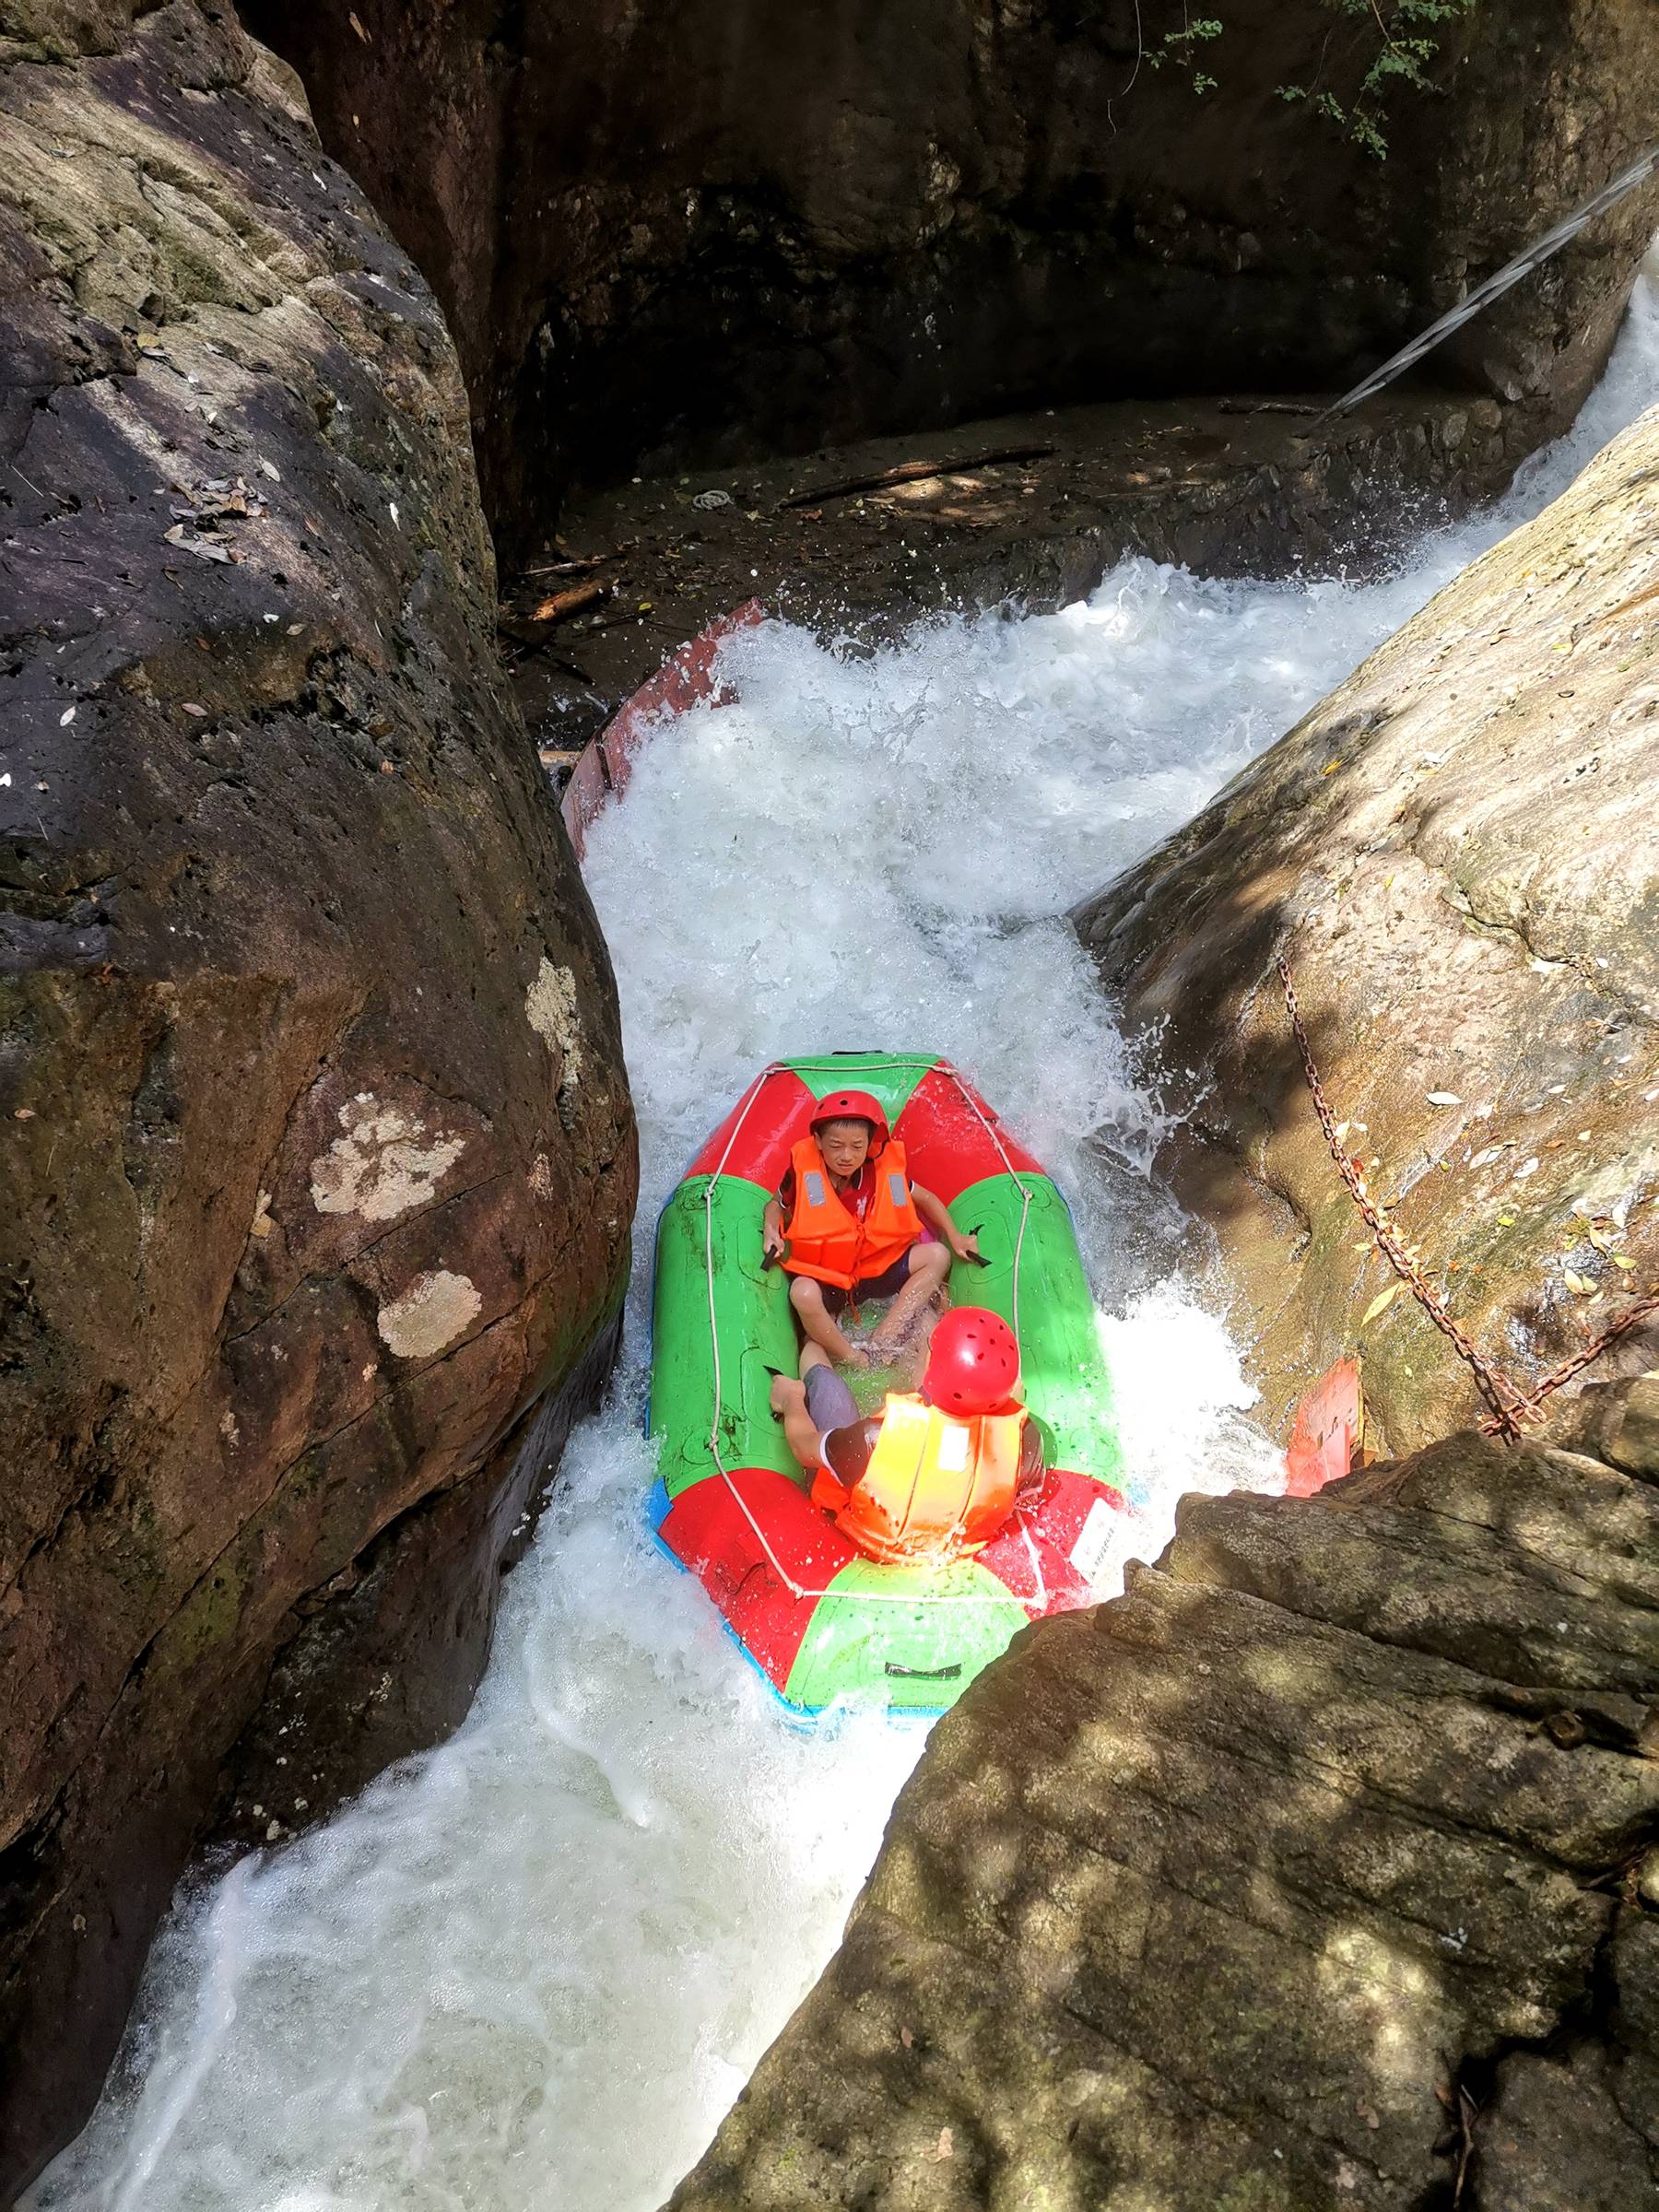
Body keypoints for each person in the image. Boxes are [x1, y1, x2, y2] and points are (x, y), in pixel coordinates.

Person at [770, 1307, 1045, 1564]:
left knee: (825, 1381)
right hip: (953, 1548)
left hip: (869, 1543)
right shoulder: (1026, 1439)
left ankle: (809, 1344)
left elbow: (802, 1448)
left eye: (928, 1348)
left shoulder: (871, 1439)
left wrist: (791, 1399)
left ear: (929, 1364)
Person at [761, 1089, 978, 1367]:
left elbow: (925, 1197)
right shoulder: (802, 1173)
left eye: (857, 1146)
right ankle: (853, 1358)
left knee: (938, 1255)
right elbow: (775, 1205)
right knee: (801, 1292)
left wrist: (955, 1236)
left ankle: (885, 1336)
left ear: (869, 1145)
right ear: (818, 1142)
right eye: (836, 1145)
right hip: (830, 1279)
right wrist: (770, 1231)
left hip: (876, 1270)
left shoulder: (881, 1170)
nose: (846, 1156)